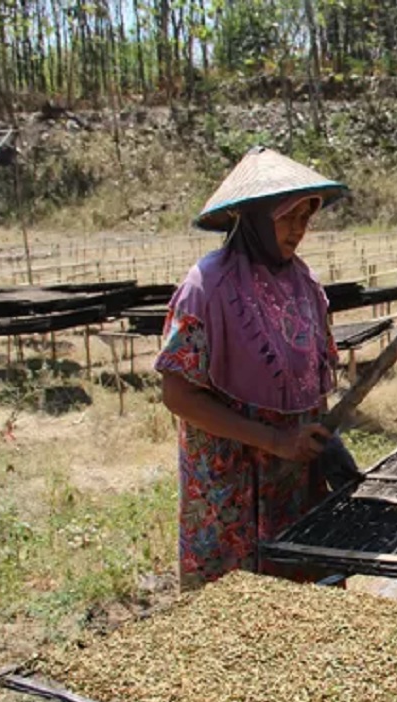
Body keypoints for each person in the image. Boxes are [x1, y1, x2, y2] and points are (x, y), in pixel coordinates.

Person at [155, 147, 349, 591]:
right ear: (256, 218)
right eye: (287, 217)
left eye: (305, 216)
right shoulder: (207, 286)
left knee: (301, 603)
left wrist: (324, 442)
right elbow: (178, 394)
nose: (298, 229)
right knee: (235, 606)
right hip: (231, 487)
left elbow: (314, 380)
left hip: (294, 482)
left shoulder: (304, 284)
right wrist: (273, 440)